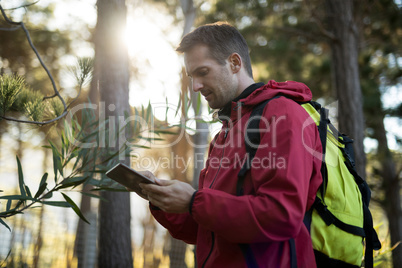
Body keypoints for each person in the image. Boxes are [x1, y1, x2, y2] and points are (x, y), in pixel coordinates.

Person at [134, 22, 323, 268]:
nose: (195, 86)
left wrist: (194, 201)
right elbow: (206, 229)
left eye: (203, 72)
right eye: (192, 76)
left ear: (235, 63)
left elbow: (281, 215)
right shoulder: (224, 135)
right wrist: (161, 199)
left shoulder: (282, 114)